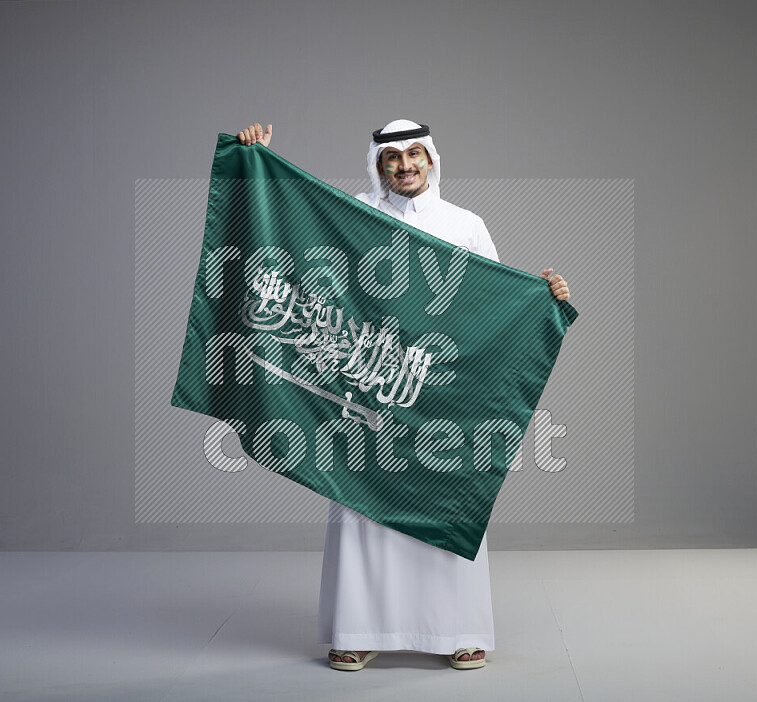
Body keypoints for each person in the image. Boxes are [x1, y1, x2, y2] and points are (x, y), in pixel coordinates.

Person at [237, 119, 571, 671]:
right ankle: (359, 628)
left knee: (447, 501)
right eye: (393, 158)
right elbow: (291, 248)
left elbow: (496, 303)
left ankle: (460, 631)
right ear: (378, 165)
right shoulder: (349, 215)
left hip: (440, 395)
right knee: (362, 511)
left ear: (432, 160)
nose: (405, 166)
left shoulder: (466, 224)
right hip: (365, 386)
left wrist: (546, 298)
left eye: (415, 154)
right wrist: (257, 166)